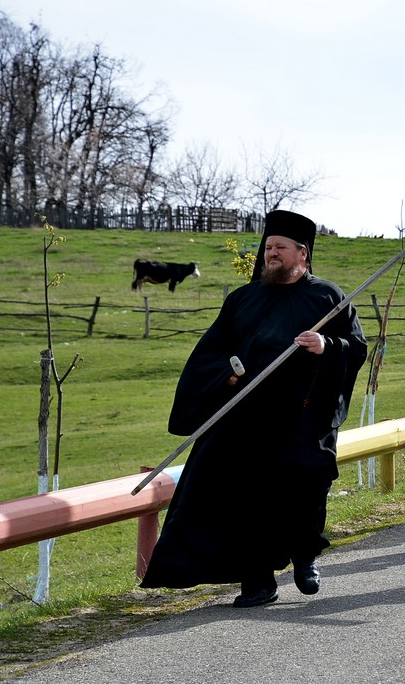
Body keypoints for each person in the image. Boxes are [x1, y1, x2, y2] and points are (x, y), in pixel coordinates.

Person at [141, 210, 367, 608]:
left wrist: (327, 347)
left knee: (305, 492)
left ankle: (305, 557)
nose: (270, 254)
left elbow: (356, 347)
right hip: (247, 417)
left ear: (303, 254)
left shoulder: (328, 297)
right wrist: (222, 376)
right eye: (267, 248)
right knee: (246, 500)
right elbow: (210, 352)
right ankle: (257, 582)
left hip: (303, 417)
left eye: (280, 248)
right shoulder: (242, 299)